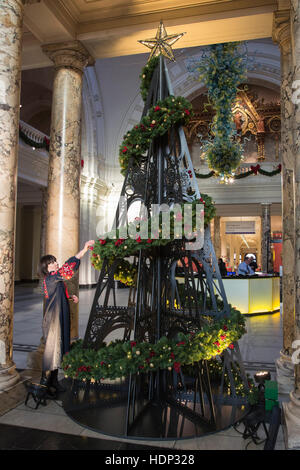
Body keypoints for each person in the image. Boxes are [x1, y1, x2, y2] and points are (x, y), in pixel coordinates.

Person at [38, 240, 95, 395]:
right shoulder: (50, 278)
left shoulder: (55, 279)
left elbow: (58, 294)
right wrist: (84, 250)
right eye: (52, 263)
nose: (56, 263)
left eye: (55, 261)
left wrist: (71, 297)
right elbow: (67, 269)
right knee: (51, 352)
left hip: (58, 318)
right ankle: (43, 387)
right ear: (46, 267)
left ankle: (54, 382)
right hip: (52, 322)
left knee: (59, 349)